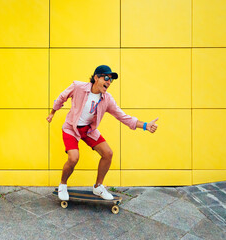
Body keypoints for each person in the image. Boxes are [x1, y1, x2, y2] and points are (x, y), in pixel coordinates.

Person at [46, 65, 158, 201]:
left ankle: (98, 187)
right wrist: (52, 113)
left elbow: (123, 116)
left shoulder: (107, 99)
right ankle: (63, 184)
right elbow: (61, 97)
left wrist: (145, 125)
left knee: (108, 153)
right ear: (96, 78)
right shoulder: (78, 87)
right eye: (106, 78)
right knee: (74, 158)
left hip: (88, 130)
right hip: (71, 128)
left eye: (111, 80)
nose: (109, 82)